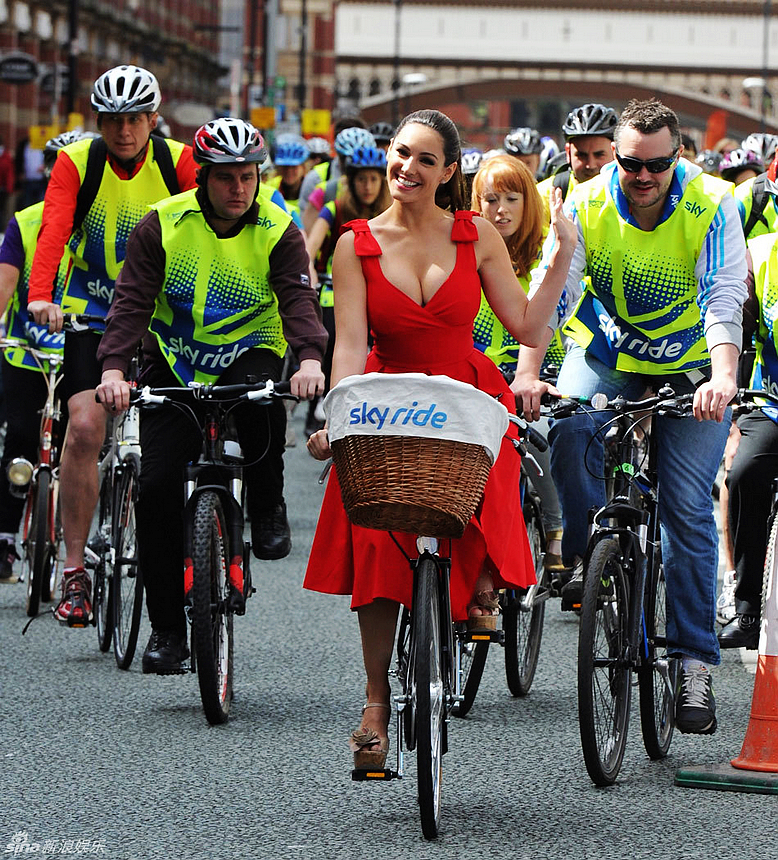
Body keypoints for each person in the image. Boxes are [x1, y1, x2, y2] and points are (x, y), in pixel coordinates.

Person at [304, 109, 576, 769]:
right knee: (374, 542)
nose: (408, 168)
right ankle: (375, 705)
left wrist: (563, 252)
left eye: (427, 159)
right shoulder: (353, 244)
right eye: (401, 153)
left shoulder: (475, 234)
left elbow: (526, 329)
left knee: (496, 474)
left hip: (465, 392)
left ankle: (481, 584)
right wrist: (334, 416)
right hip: (385, 397)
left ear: (449, 172)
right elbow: (347, 344)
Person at [513, 98, 748, 736]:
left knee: (686, 510)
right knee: (566, 426)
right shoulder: (584, 204)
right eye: (629, 164)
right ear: (614, 157)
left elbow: (724, 296)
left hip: (693, 366)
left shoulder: (713, 202)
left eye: (656, 166)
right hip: (610, 354)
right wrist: (529, 371)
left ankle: (695, 662)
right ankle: (601, 554)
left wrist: (724, 377)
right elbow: (552, 289)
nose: (641, 178)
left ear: (679, 158)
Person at [95, 118, 327, 674]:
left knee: (264, 408)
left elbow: (298, 300)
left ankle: (268, 504)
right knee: (154, 490)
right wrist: (113, 369)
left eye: (247, 177)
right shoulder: (164, 225)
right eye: (226, 179)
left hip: (250, 347)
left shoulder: (279, 227)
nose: (239, 189)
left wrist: (312, 357)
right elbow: (130, 302)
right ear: (203, 177)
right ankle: (169, 631)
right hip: (173, 358)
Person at [26, 64, 199, 627]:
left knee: (182, 431)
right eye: (112, 120)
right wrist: (40, 296)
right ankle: (74, 572)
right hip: (90, 310)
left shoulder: (177, 162)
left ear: (154, 118)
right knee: (82, 425)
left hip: (159, 313)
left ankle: (201, 545)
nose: (124, 130)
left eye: (134, 119)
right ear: (98, 121)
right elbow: (53, 233)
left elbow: (208, 228)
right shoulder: (78, 161)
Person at [0, 132, 93, 583]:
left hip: (84, 351)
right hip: (28, 354)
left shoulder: (107, 225)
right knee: (19, 438)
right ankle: (4, 538)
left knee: (87, 441)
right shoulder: (25, 223)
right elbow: (4, 289)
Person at [469, 153, 566, 573]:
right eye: (490, 200)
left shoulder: (548, 251)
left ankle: (555, 527)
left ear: (530, 202)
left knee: (541, 437)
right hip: (476, 380)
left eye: (512, 198)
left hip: (540, 377)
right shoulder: (464, 251)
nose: (501, 209)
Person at [304, 145, 392, 436]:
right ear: (350, 181)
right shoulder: (335, 207)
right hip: (336, 285)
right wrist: (312, 270)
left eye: (374, 179)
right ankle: (327, 399)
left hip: (380, 286)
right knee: (332, 333)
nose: (367, 186)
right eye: (361, 179)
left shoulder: (392, 211)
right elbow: (310, 248)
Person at [721, 232, 778, 650]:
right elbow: (740, 335)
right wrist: (734, 414)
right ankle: (746, 606)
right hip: (770, 402)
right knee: (744, 473)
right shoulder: (761, 251)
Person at [536, 103, 618, 219]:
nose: (590, 165)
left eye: (599, 155)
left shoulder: (632, 194)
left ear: (615, 152)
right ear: (568, 152)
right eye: (581, 155)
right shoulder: (543, 195)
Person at [301, 126, 376, 233]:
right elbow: (307, 234)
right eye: (345, 159)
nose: (352, 165)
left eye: (358, 159)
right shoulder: (319, 183)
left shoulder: (383, 188)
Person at [268, 135, 311, 220]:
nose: (289, 171)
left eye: (294, 167)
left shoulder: (313, 188)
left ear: (303, 167)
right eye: (285, 166)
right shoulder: (271, 187)